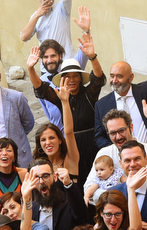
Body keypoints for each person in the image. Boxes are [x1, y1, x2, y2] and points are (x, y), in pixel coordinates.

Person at [30, 51, 106, 183]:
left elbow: (98, 78)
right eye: (67, 76)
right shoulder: (60, 97)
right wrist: (30, 68)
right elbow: (40, 88)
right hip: (71, 146)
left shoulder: (89, 94)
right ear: (62, 80)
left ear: (81, 78)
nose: (72, 80)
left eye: (75, 76)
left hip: (91, 144)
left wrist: (93, 57)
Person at [94, 100, 147, 185]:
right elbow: (89, 187)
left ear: (131, 127)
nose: (118, 137)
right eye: (112, 133)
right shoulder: (104, 153)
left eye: (121, 130)